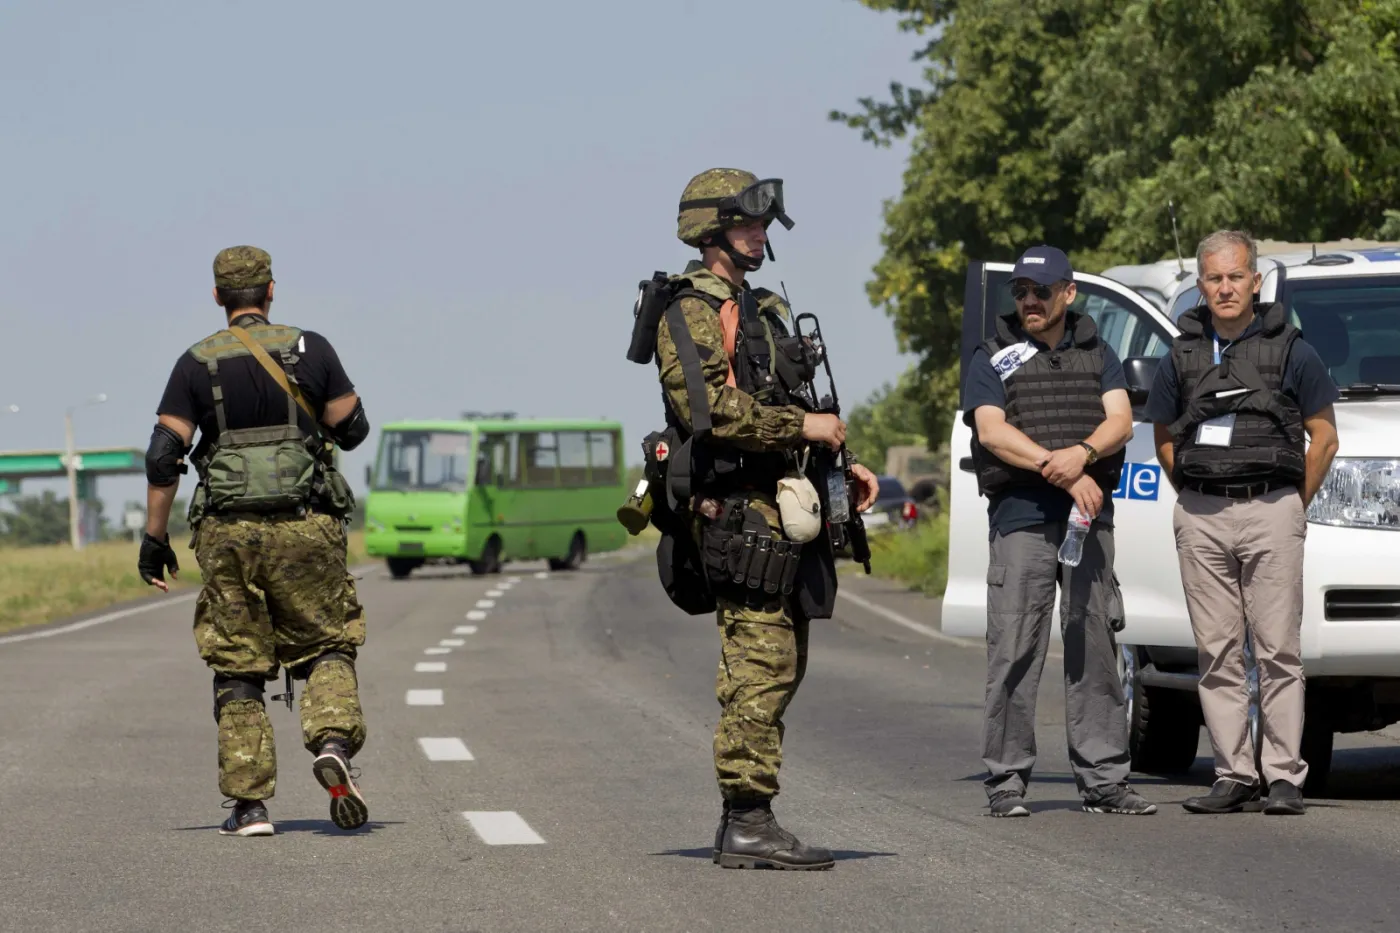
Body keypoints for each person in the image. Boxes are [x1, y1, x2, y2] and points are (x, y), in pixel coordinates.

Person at [647, 168, 878, 869]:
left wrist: (842, 462)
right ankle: (747, 819)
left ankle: (747, 817)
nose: (761, 234)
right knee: (758, 666)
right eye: (748, 223)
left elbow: (795, 398)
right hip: (738, 512)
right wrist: (803, 426)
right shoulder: (687, 310)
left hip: (784, 504)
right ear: (710, 230)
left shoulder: (763, 306)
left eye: (764, 224)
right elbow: (707, 409)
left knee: (782, 664)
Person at [139, 246, 373, 836]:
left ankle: (250, 806)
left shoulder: (196, 363)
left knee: (238, 661)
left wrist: (154, 538)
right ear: (271, 290)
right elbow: (354, 429)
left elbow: (164, 454)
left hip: (227, 534)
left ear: (218, 297)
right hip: (306, 525)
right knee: (326, 643)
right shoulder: (311, 348)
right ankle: (335, 744)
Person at [1145, 230, 1340, 816]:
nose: (1225, 288)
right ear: (1199, 286)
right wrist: (1197, 494)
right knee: (1217, 651)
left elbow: (1325, 438)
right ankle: (1234, 774)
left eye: (1235, 277)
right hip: (1201, 514)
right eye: (1213, 278)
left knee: (1279, 649)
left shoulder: (1293, 349)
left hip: (1272, 509)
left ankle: (1283, 776)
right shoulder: (1180, 354)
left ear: (1256, 282)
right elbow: (1162, 436)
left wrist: (1289, 504)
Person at [964, 245, 1156, 817]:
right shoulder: (992, 352)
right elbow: (992, 432)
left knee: (1094, 645)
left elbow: (1119, 421)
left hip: (1088, 520)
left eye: (1040, 291)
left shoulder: (1099, 351)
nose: (1028, 300)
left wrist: (1083, 453)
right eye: (1020, 290)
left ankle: (1104, 782)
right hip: (1023, 515)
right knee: (1015, 646)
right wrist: (1067, 471)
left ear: (1068, 293)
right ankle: (1005, 780)